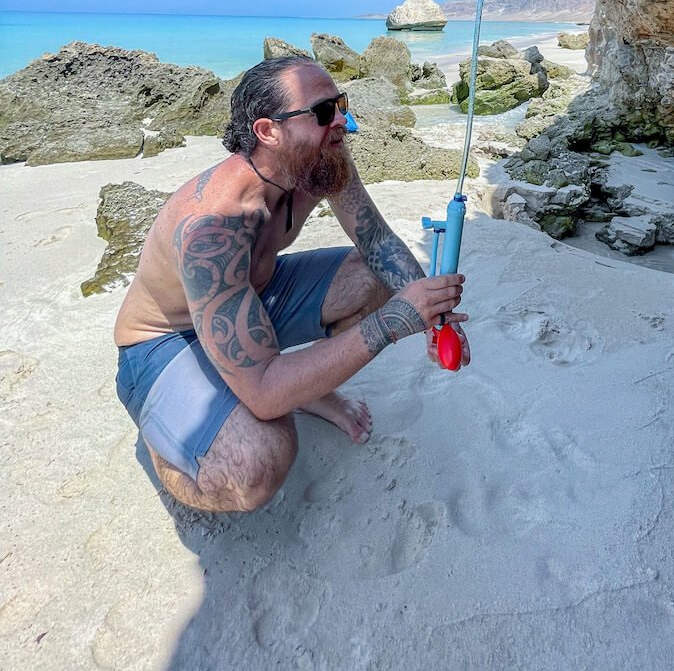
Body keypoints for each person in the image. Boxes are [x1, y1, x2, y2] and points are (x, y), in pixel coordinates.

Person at [113, 55, 469, 513]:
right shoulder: (213, 227)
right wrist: (395, 322)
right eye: (323, 112)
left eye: (340, 104)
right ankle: (172, 444)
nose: (342, 121)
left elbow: (377, 240)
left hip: (252, 300)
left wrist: (433, 316)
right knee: (256, 462)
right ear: (268, 131)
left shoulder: (319, 160)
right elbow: (262, 391)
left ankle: (308, 391)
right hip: (164, 341)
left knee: (374, 277)